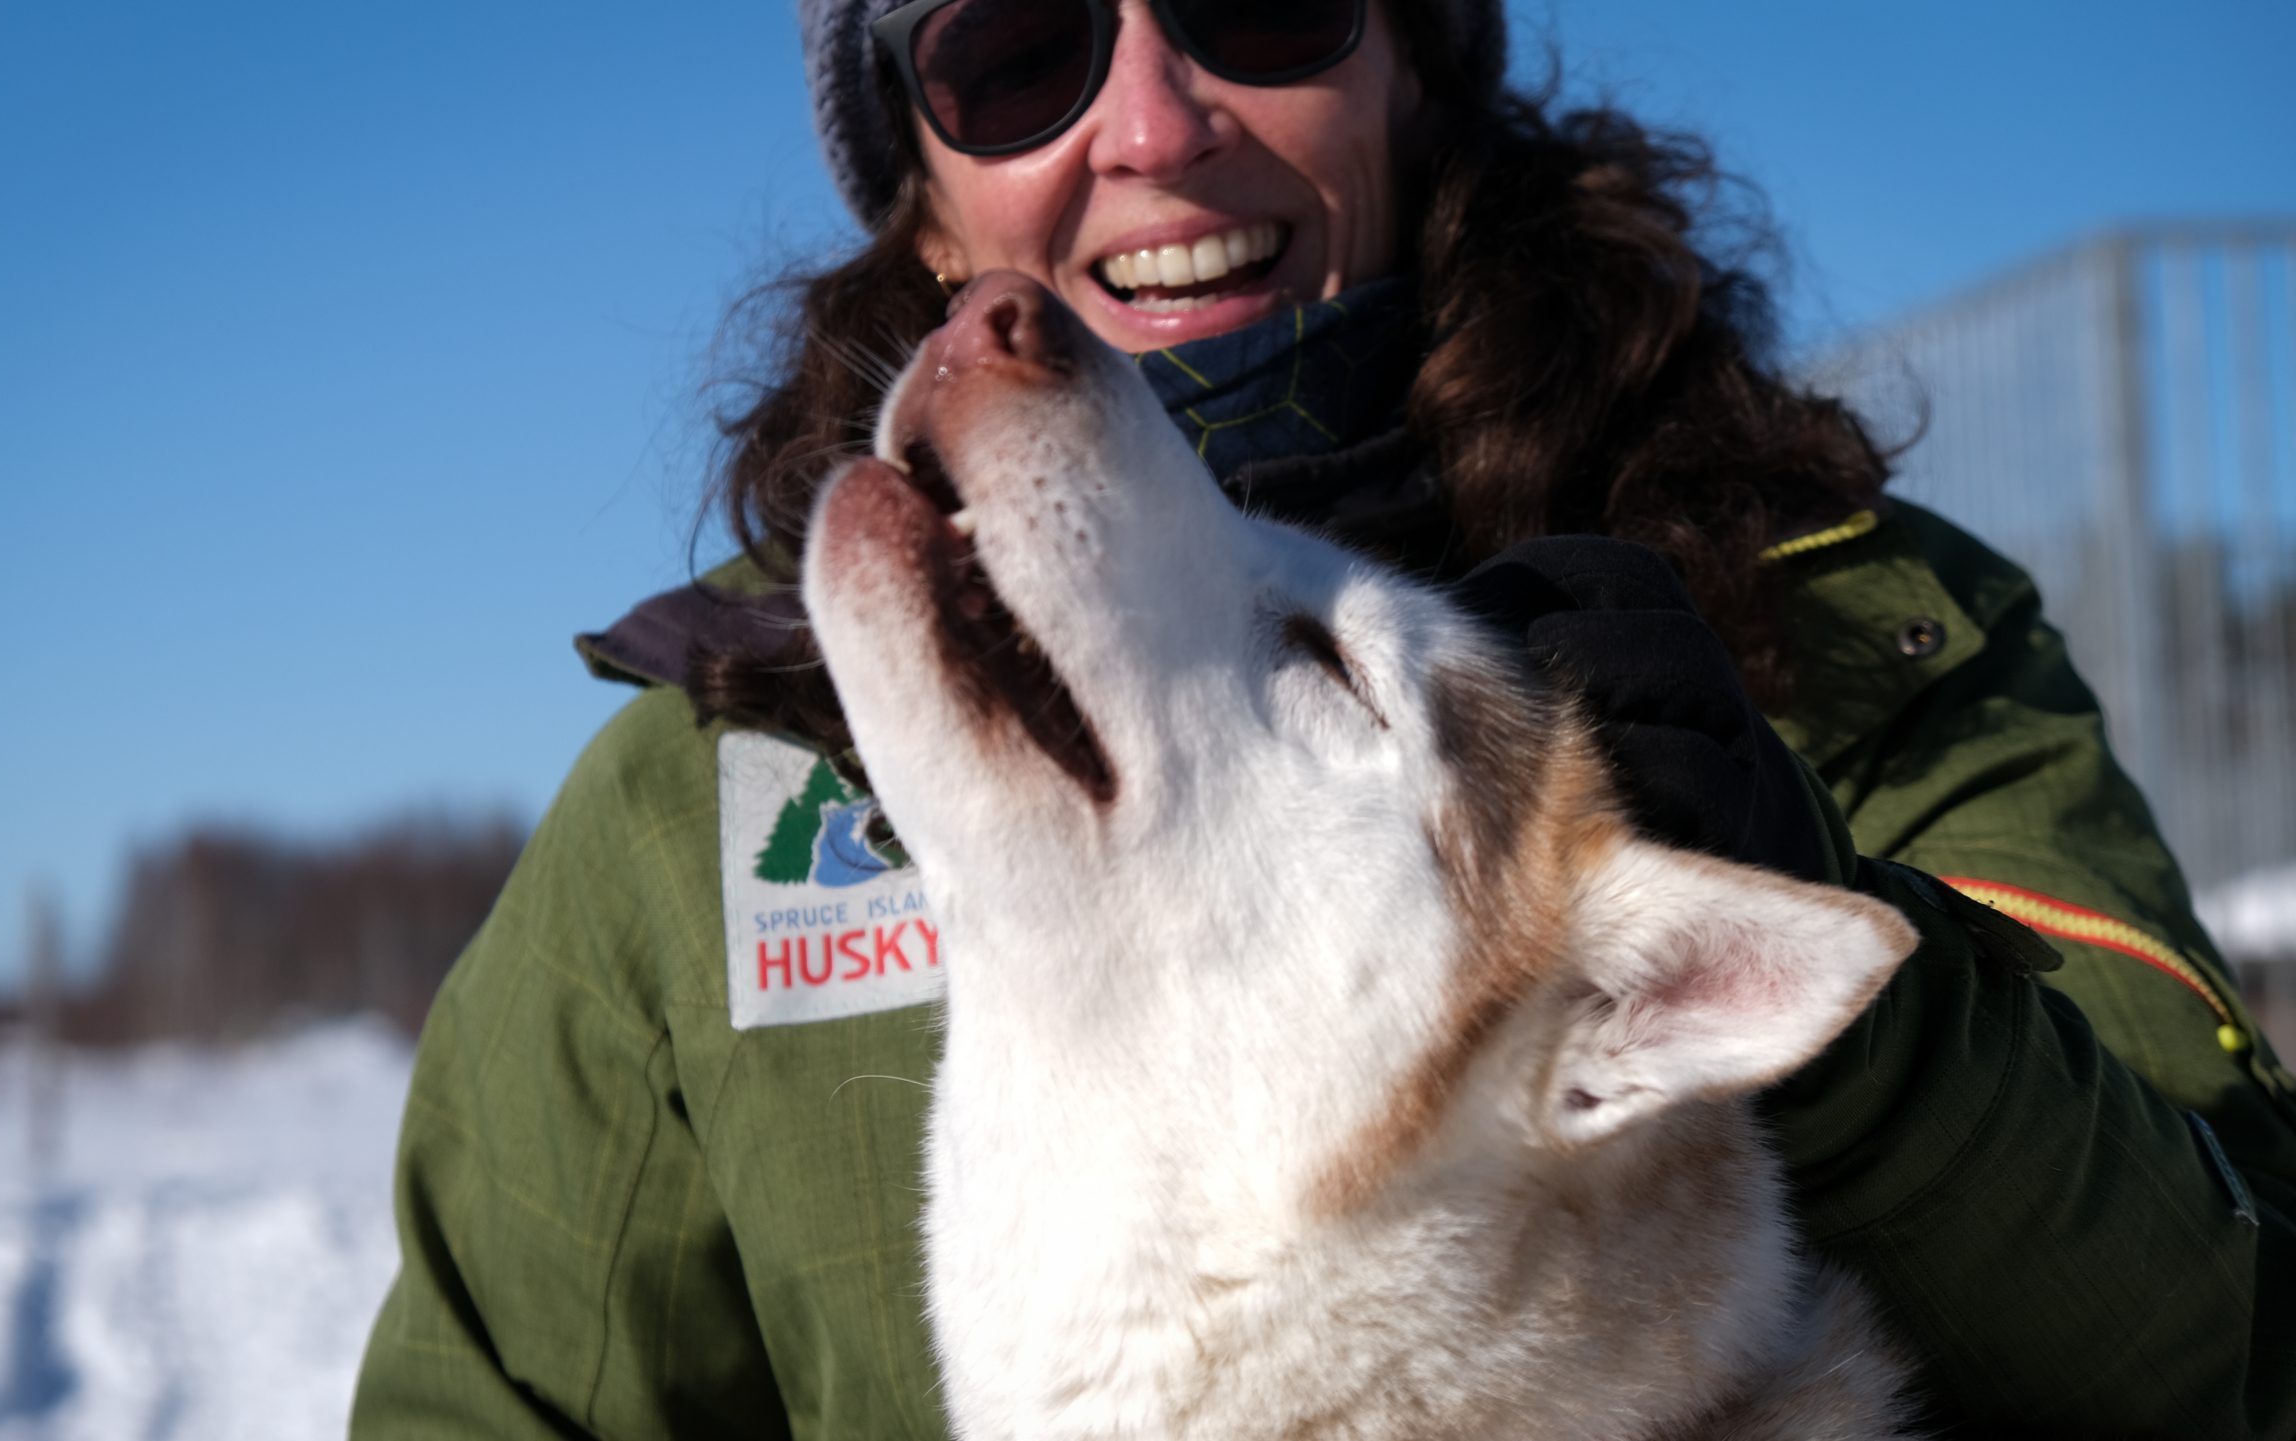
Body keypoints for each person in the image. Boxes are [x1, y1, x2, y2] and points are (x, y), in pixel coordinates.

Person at [351, 1, 2296, 1436]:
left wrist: (1873, 1025)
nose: (1153, 118)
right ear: (923, 197)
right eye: (1014, 47)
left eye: (1257, 5)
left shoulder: (1858, 628)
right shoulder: (703, 804)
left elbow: (2235, 1347)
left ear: (1411, 70)